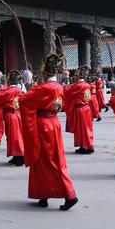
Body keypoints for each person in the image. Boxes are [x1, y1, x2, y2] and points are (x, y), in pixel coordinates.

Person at [20, 53, 78, 211]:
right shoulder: (59, 87)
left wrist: (30, 88)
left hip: (43, 125)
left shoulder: (43, 88)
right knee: (51, 158)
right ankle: (43, 194)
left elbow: (24, 101)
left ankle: (69, 194)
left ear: (45, 72)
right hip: (54, 123)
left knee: (47, 159)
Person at [0, 70, 24, 166]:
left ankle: (19, 156)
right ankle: (16, 156)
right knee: (17, 136)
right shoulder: (20, 91)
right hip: (19, 115)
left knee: (14, 137)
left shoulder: (8, 91)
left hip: (11, 115)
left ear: (9, 81)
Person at [66, 65, 95, 154]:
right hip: (87, 108)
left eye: (76, 75)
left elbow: (67, 92)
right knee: (87, 128)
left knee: (82, 129)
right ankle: (86, 145)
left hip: (80, 109)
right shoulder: (87, 85)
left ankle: (85, 146)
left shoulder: (77, 85)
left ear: (78, 76)